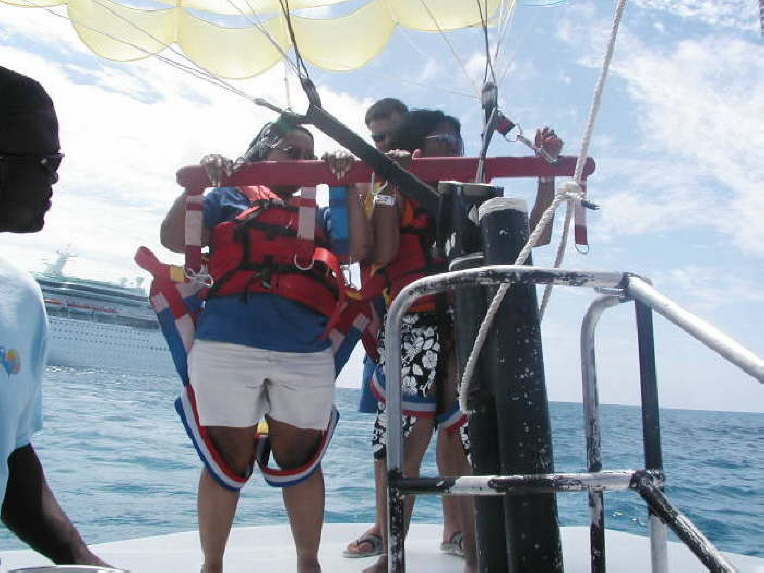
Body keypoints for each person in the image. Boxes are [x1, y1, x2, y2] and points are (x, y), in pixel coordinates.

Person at [160, 116, 344, 573]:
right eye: (291, 151)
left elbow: (355, 247)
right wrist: (200, 182)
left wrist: (343, 177)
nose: (301, 161)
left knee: (301, 459)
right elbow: (172, 238)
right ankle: (212, 565)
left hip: (304, 352)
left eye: (309, 155)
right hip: (226, 347)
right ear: (263, 153)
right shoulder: (225, 195)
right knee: (226, 458)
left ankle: (308, 563)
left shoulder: (322, 213)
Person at [0, 66, 109, 567]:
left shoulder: (21, 296)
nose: (56, 177)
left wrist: (81, 559)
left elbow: (14, 454)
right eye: (46, 161)